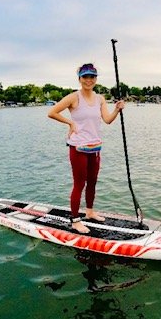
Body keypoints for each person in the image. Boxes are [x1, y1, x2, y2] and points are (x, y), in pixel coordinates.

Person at [48, 63, 125, 234]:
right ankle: (75, 220)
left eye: (92, 77)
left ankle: (89, 212)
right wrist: (70, 123)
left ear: (96, 79)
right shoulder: (73, 97)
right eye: (85, 77)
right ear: (79, 79)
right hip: (78, 147)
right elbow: (52, 112)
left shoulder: (100, 99)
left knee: (92, 182)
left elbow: (107, 120)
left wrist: (117, 110)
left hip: (95, 147)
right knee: (79, 184)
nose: (89, 80)